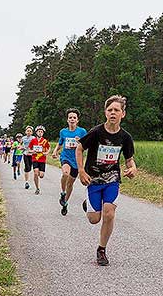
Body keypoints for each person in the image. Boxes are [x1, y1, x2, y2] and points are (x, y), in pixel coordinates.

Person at [76, 95, 137, 266]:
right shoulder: (96, 132)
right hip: (93, 180)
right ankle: (88, 203)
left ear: (122, 114)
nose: (113, 113)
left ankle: (101, 249)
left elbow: (129, 160)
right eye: (110, 110)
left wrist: (132, 168)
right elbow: (80, 148)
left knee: (109, 213)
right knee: (94, 219)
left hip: (112, 179)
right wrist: (81, 170)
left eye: (116, 110)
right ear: (105, 113)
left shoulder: (125, 137)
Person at [52, 108, 87, 216]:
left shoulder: (82, 131)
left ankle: (65, 203)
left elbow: (86, 146)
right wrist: (54, 151)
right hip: (65, 157)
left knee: (71, 184)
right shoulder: (63, 132)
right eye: (70, 117)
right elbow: (60, 143)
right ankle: (63, 193)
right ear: (67, 120)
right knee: (65, 173)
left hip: (76, 159)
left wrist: (80, 142)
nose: (72, 119)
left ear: (77, 120)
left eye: (74, 118)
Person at [28, 125, 50, 195]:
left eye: (41, 132)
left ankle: (39, 176)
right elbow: (29, 149)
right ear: (36, 132)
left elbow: (49, 148)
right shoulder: (33, 140)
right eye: (39, 131)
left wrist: (46, 152)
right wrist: (32, 151)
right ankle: (37, 188)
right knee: (35, 173)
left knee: (41, 175)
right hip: (35, 159)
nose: (40, 133)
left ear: (43, 133)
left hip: (42, 160)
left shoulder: (45, 141)